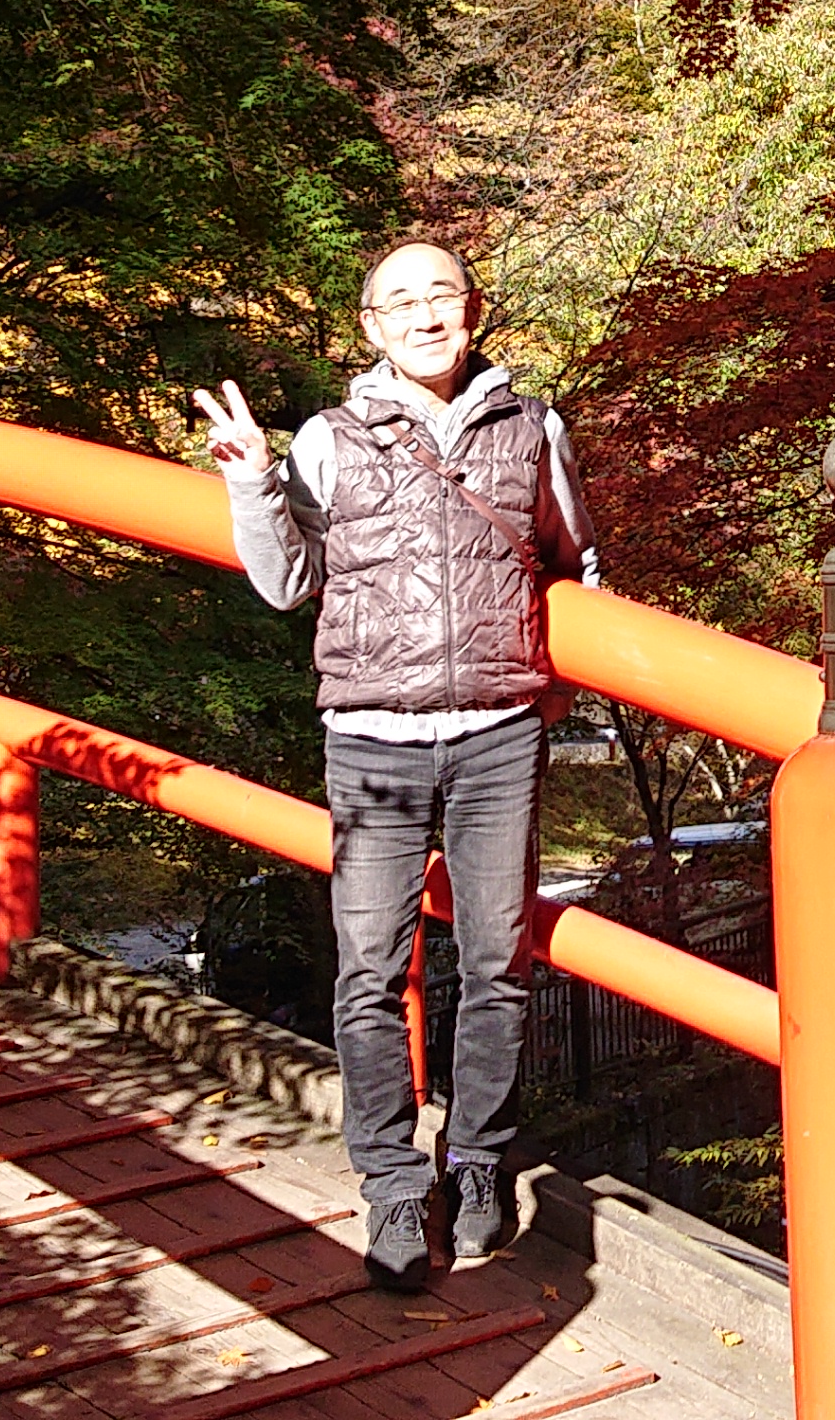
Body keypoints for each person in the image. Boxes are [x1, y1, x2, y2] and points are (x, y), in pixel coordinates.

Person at [192, 239, 595, 1288]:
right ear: (369, 327)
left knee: (499, 964)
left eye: (442, 297)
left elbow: (574, 562)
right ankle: (386, 1180)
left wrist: (554, 684)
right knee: (372, 969)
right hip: (372, 736)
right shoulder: (328, 438)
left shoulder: (532, 425)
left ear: (476, 311)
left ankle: (477, 1164)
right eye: (400, 303)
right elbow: (288, 583)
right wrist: (251, 480)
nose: (425, 317)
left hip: (498, 734)